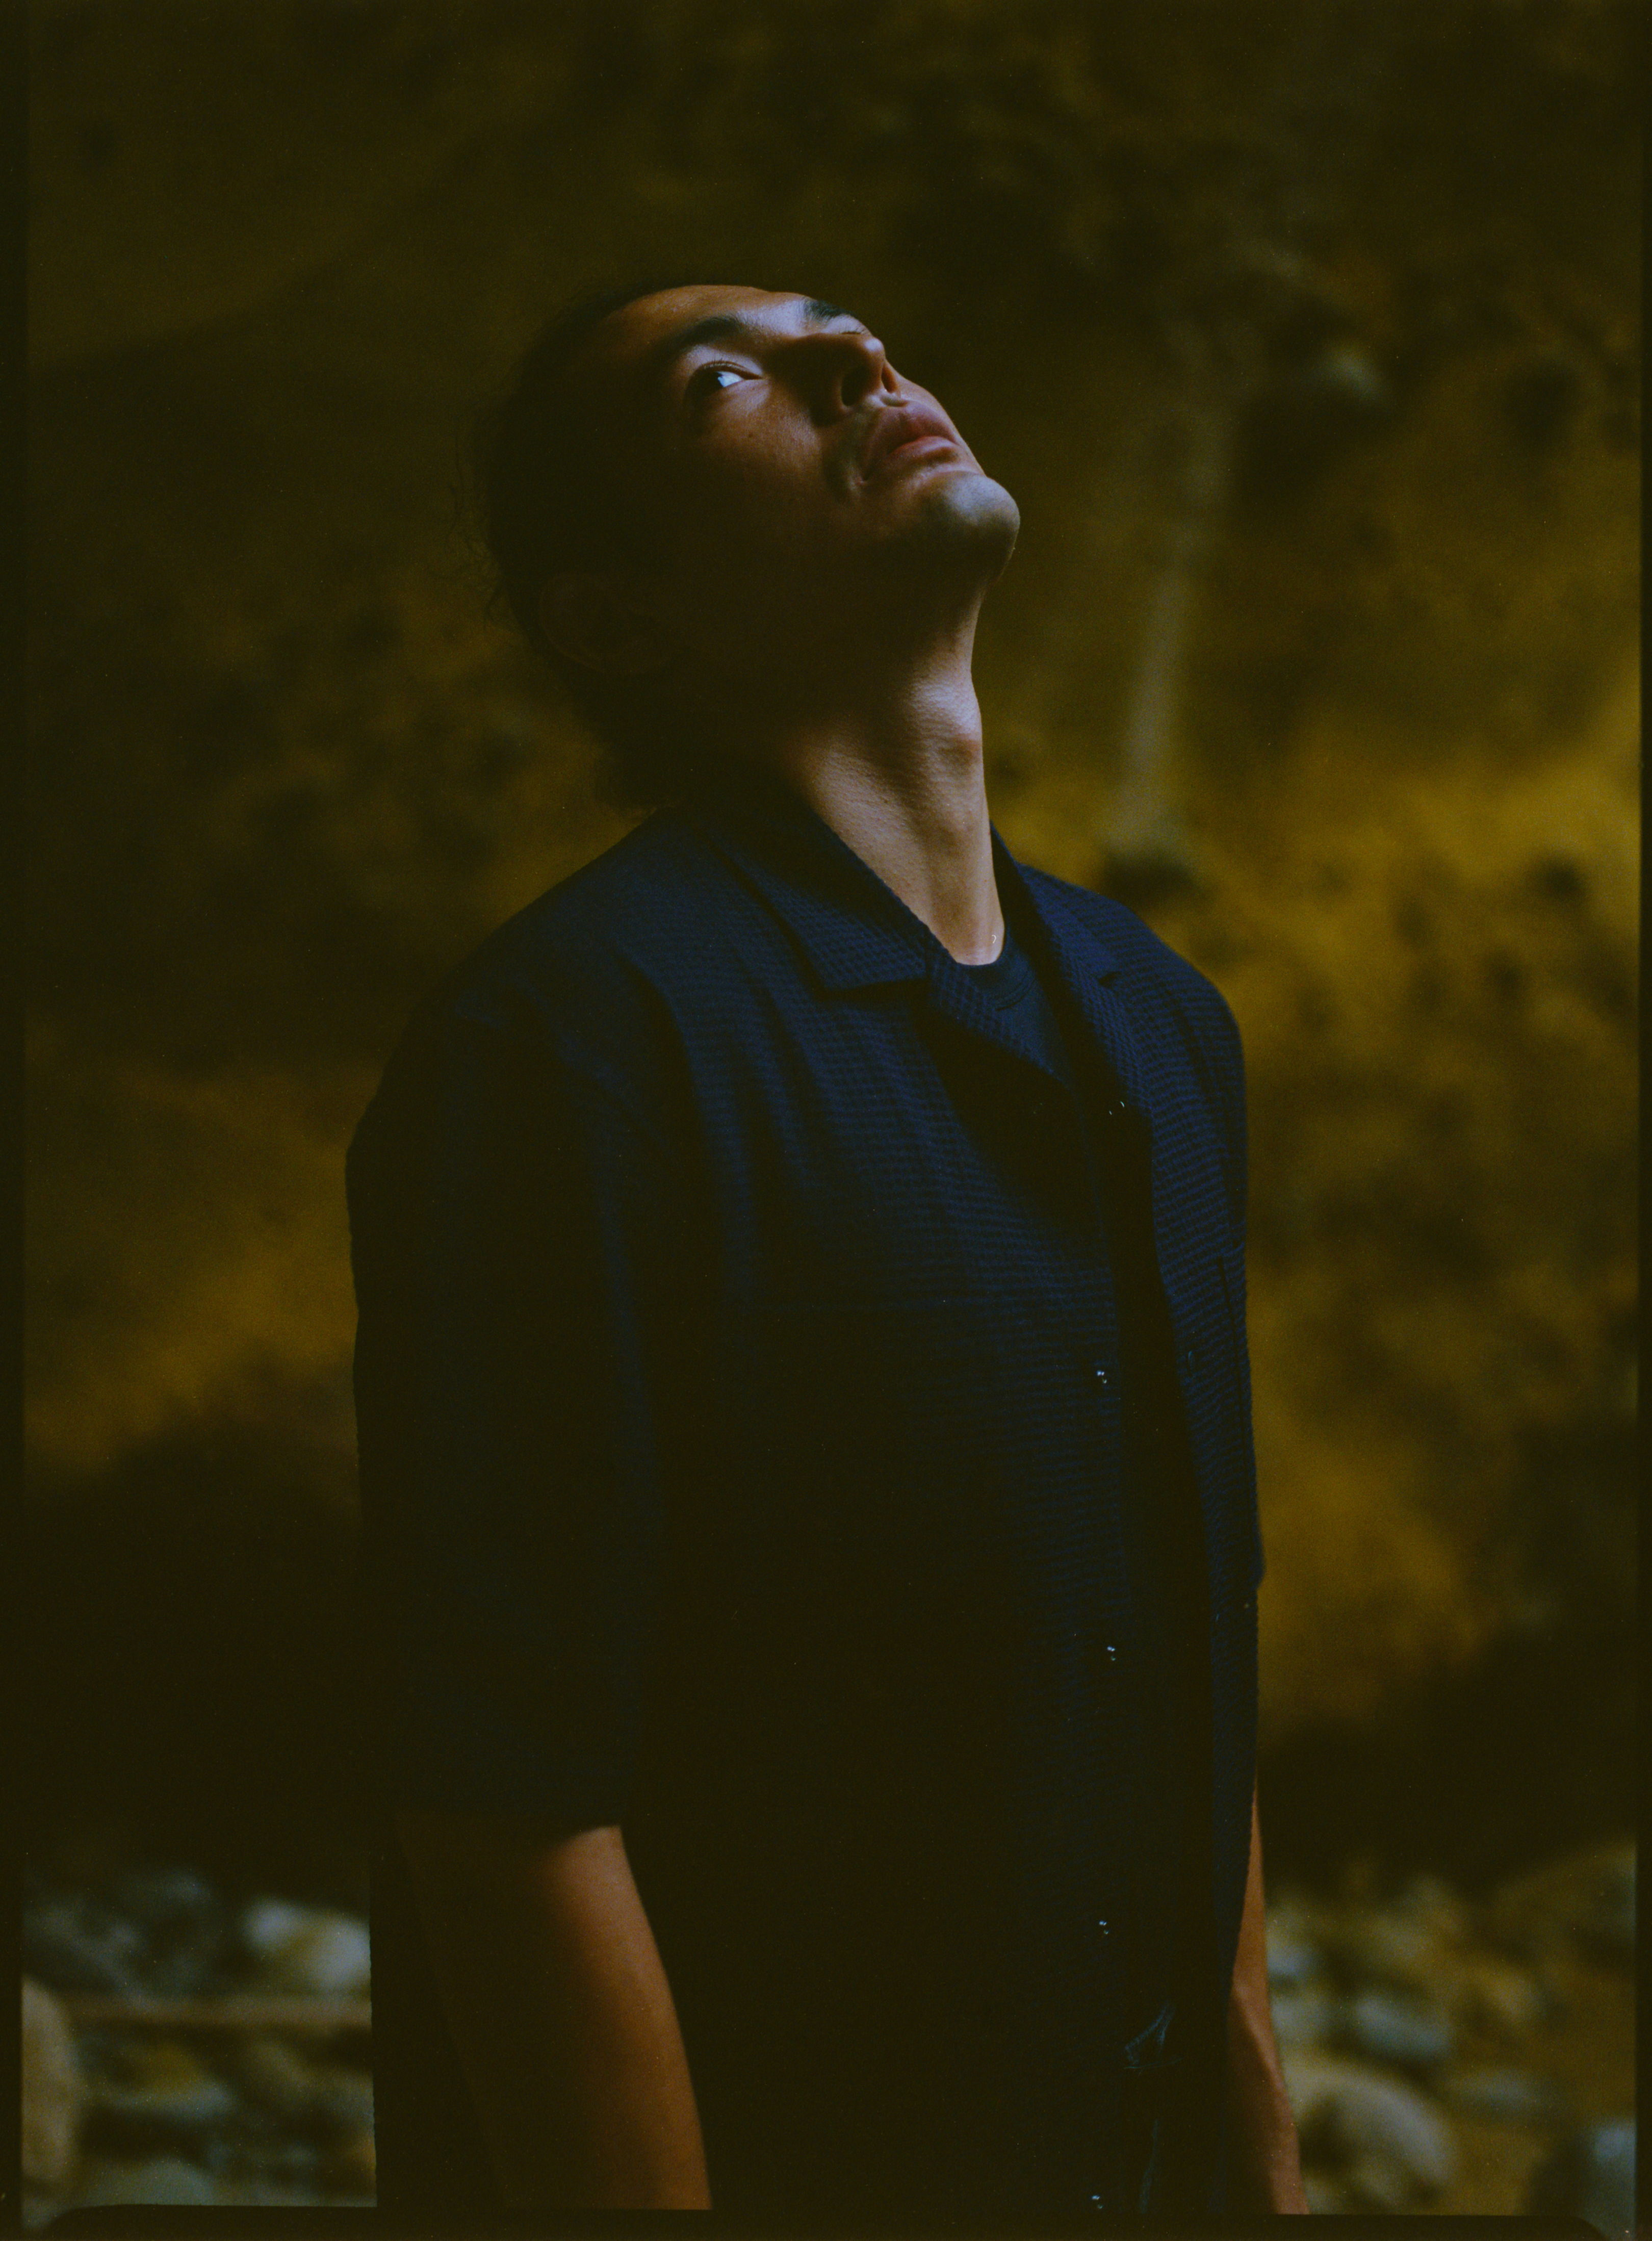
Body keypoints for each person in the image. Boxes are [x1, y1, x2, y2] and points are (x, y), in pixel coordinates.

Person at [347, 280, 1308, 2221]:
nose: (858, 365)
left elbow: (1189, 1660)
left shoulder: (1163, 1023)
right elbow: (508, 1801)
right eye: (731, 384)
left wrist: (1267, 2174)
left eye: (849, 338)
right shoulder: (571, 1056)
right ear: (619, 617)